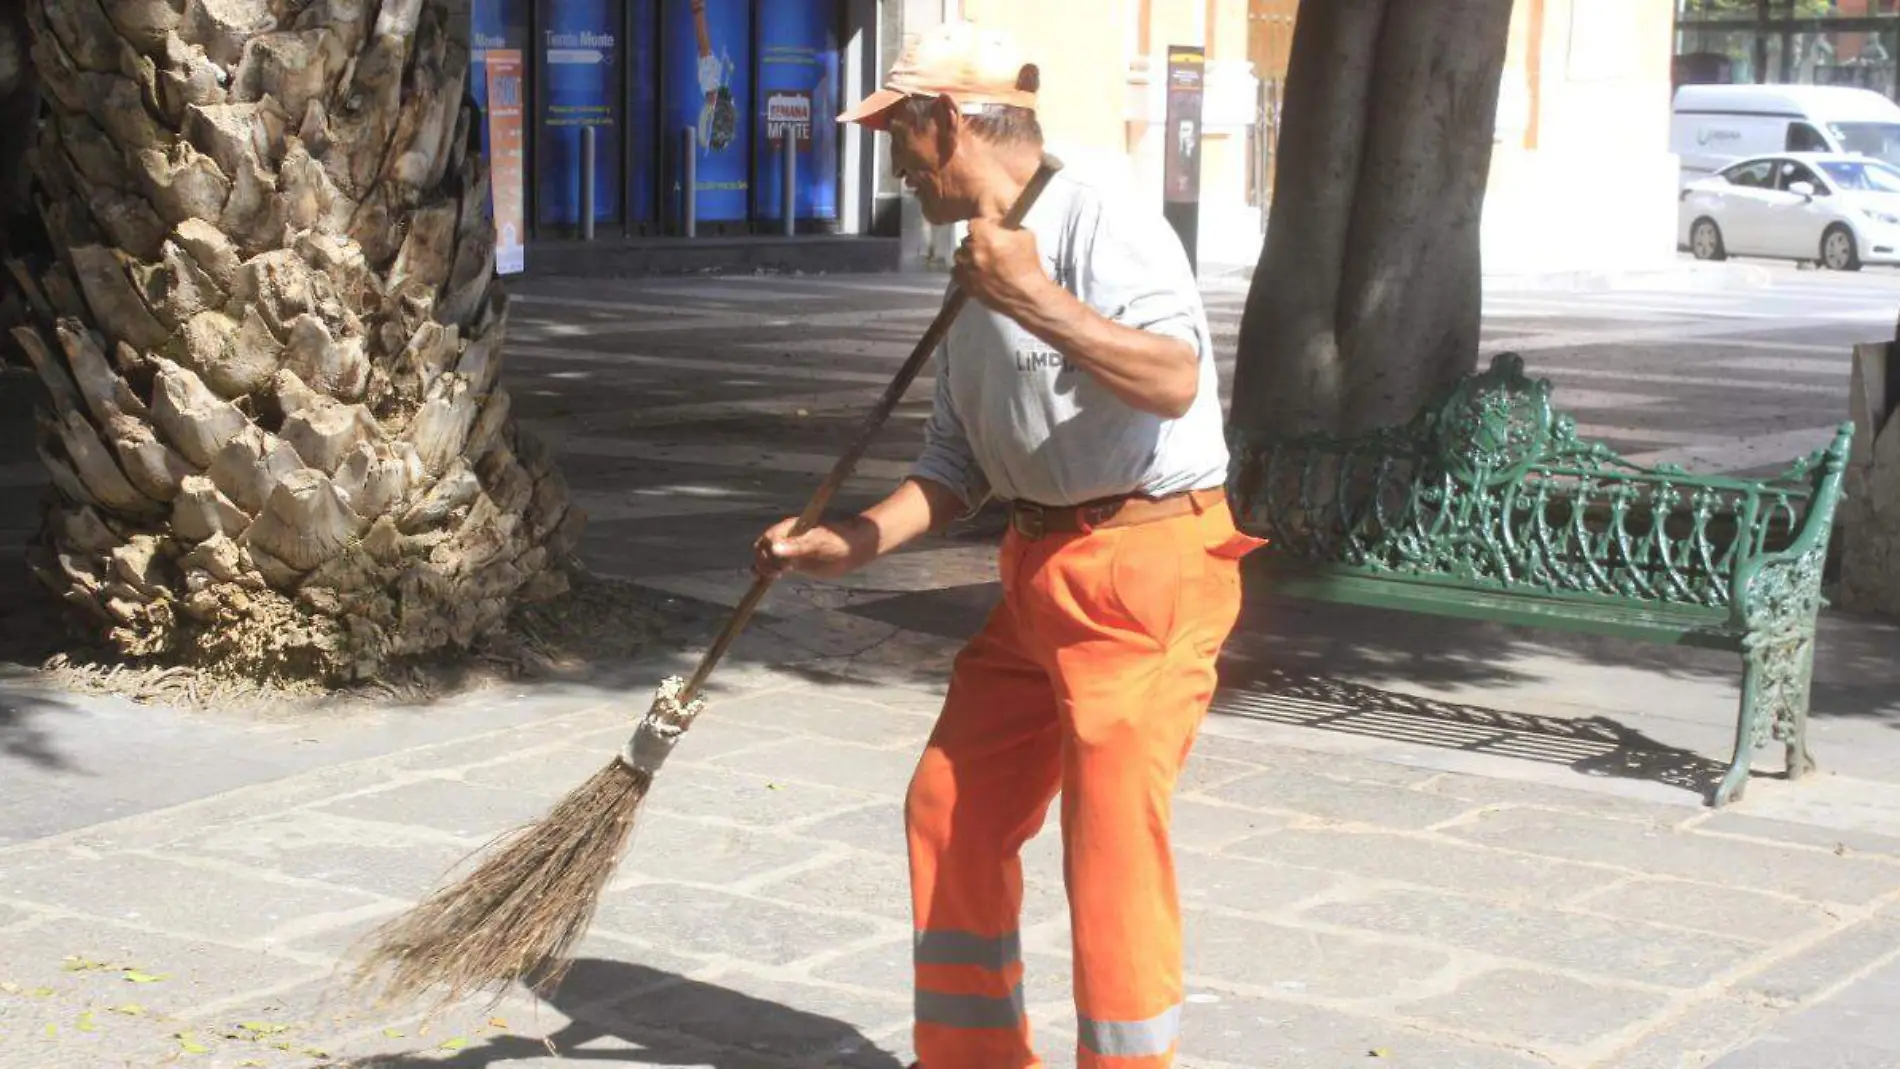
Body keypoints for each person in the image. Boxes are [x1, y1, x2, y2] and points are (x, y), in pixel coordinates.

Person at [752, 19, 1263, 1069]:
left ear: (943, 122)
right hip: (1038, 574)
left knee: (1108, 850)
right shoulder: (970, 254)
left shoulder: (1097, 213)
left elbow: (1172, 377)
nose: (892, 163)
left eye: (896, 134)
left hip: (1145, 570)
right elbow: (955, 463)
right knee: (950, 803)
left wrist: (1033, 293)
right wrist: (846, 544)